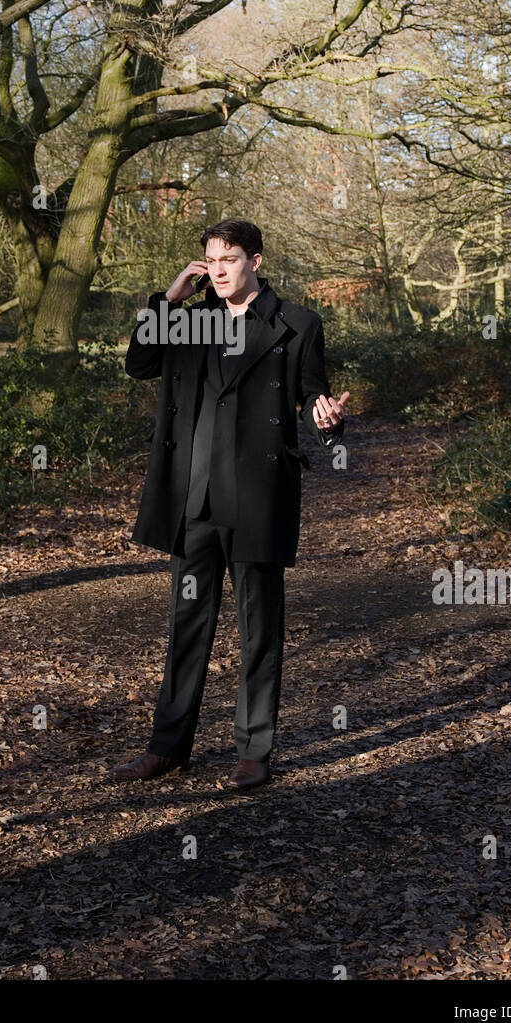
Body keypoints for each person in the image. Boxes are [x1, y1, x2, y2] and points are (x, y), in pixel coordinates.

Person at [114, 218, 349, 790]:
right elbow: (139, 363)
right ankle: (168, 747)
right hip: (192, 498)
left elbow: (313, 396)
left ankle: (254, 751)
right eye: (210, 260)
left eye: (230, 258)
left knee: (259, 628)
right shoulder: (188, 321)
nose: (218, 269)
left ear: (256, 262)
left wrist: (329, 421)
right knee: (186, 625)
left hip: (257, 499)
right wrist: (167, 299)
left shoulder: (296, 325)